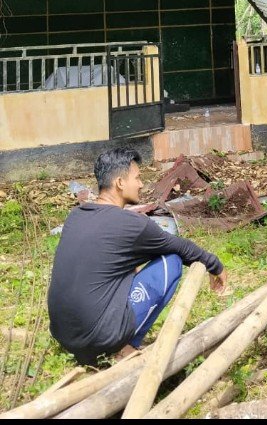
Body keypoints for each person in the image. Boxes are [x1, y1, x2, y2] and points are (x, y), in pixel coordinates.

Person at [48, 148, 227, 364]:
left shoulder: (75, 216)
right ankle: (125, 347)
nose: (141, 184)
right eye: (138, 178)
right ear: (120, 183)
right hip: (99, 340)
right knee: (171, 260)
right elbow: (180, 247)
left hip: (65, 337)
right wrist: (215, 266)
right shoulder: (133, 225)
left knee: (124, 263)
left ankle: (107, 342)